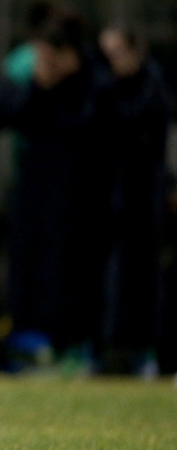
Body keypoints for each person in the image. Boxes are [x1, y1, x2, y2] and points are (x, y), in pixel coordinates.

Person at [0, 10, 116, 376]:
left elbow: (94, 127)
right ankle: (28, 347)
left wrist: (65, 81)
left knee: (74, 270)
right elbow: (2, 115)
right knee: (29, 267)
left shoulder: (94, 76)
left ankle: (76, 347)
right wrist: (39, 86)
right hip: (34, 187)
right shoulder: (26, 70)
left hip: (83, 191)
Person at [97, 24, 173, 376]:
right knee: (108, 276)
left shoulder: (152, 87)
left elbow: (134, 123)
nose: (110, 62)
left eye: (116, 53)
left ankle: (146, 352)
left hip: (143, 199)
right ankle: (106, 350)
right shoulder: (106, 87)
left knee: (143, 276)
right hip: (109, 198)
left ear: (135, 51)